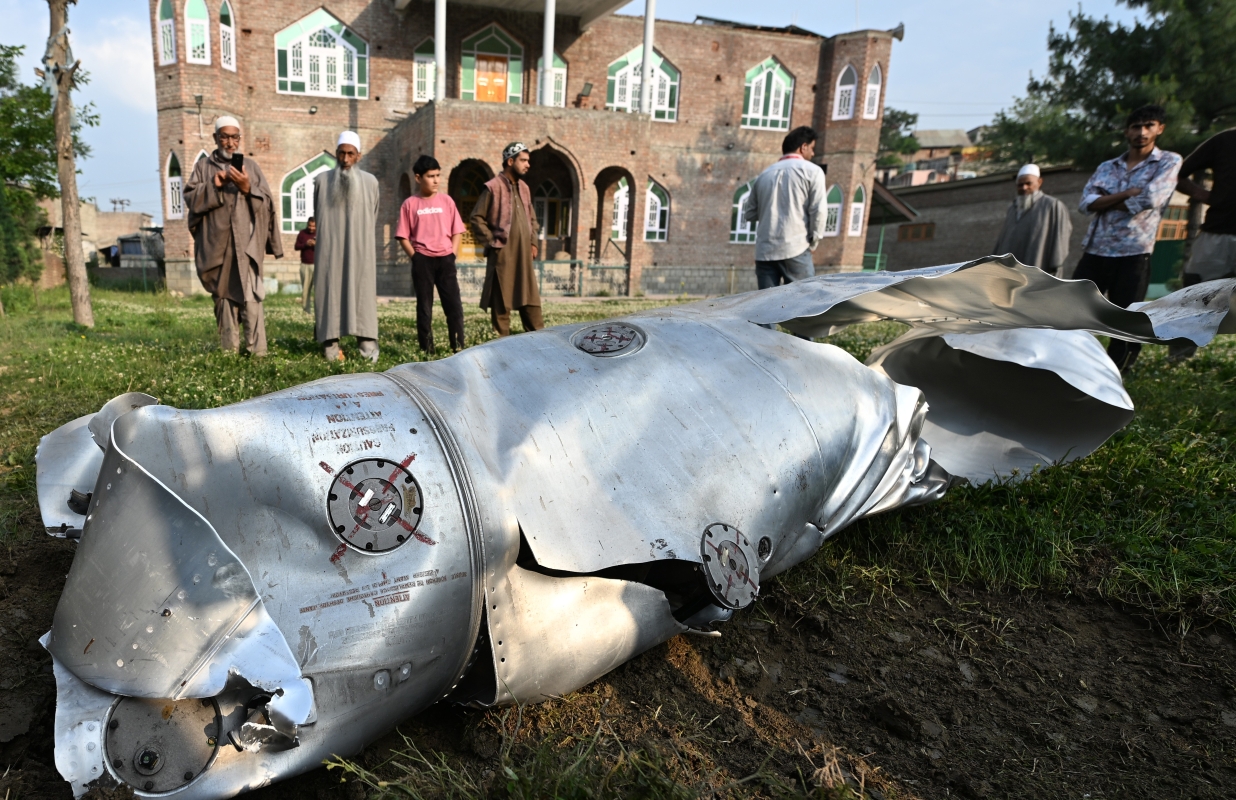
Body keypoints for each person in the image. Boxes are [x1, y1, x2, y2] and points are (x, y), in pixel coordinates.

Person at [1075, 105, 1182, 371]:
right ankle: (1071, 363)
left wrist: (1105, 201)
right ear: (1126, 132)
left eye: (1149, 126)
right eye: (1136, 127)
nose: (1141, 132)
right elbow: (1085, 204)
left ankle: (1118, 370)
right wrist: (1126, 194)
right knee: (1075, 309)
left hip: (1133, 251)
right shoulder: (1107, 167)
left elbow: (1151, 199)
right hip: (1096, 249)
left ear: (1160, 129)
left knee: (1126, 317)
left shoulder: (1168, 161)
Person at [183, 115, 282, 356]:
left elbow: (267, 205)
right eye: (224, 137)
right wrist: (214, 185)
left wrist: (248, 188)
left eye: (234, 137)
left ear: (239, 139)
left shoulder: (251, 167)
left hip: (246, 247)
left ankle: (257, 352)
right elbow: (191, 200)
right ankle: (229, 352)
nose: (230, 143)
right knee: (224, 297)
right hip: (217, 247)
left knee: (251, 297)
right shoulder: (203, 167)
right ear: (216, 138)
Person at [742, 126, 828, 330]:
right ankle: (802, 349)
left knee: (766, 312)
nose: (813, 153)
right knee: (804, 309)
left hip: (765, 250)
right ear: (803, 147)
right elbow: (819, 211)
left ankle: (764, 349)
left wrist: (770, 208)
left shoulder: (764, 175)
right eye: (812, 148)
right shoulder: (812, 171)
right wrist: (814, 240)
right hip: (796, 247)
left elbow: (749, 213)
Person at [314, 131, 380, 363]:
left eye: (351, 154)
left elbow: (373, 214)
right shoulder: (322, 182)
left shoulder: (371, 183)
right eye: (341, 153)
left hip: (361, 251)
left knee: (362, 294)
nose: (345, 159)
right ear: (335, 154)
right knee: (329, 292)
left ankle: (367, 347)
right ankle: (331, 347)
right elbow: (318, 214)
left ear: (359, 155)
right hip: (330, 252)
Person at [1170, 128, 1236, 361]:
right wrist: (1208, 196)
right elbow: (1176, 174)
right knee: (1194, 297)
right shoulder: (1225, 140)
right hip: (1218, 233)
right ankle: (1179, 359)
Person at [395, 155, 466, 353]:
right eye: (430, 176)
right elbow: (402, 236)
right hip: (423, 261)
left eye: (438, 175)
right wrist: (416, 257)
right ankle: (427, 350)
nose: (436, 180)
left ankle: (458, 347)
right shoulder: (410, 204)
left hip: (445, 260)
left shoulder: (446, 201)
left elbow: (457, 230)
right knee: (424, 308)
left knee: (454, 306)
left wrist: (452, 254)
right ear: (418, 178)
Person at [471, 142, 542, 336]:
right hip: (503, 254)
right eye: (523, 160)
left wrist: (533, 242)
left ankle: (541, 343)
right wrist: (492, 242)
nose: (528, 165)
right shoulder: (493, 187)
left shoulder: (524, 188)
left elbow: (532, 219)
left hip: (524, 255)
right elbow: (476, 218)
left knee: (531, 301)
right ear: (510, 161)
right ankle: (502, 346)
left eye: (528, 161)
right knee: (501, 302)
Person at [993, 164, 1073, 274]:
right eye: (1020, 185)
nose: (1024, 188)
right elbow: (1003, 240)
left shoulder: (1052, 206)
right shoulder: (1013, 208)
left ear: (1039, 182)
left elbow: (1060, 238)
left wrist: (1055, 265)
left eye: (1028, 183)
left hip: (1039, 267)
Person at [294, 217, 316, 314]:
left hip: (317, 265)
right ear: (307, 224)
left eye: (313, 226)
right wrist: (306, 244)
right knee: (306, 290)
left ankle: (318, 311)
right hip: (305, 265)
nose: (311, 228)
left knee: (319, 290)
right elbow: (296, 246)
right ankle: (306, 311)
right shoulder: (302, 233)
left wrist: (316, 244)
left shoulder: (320, 233)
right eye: (310, 226)